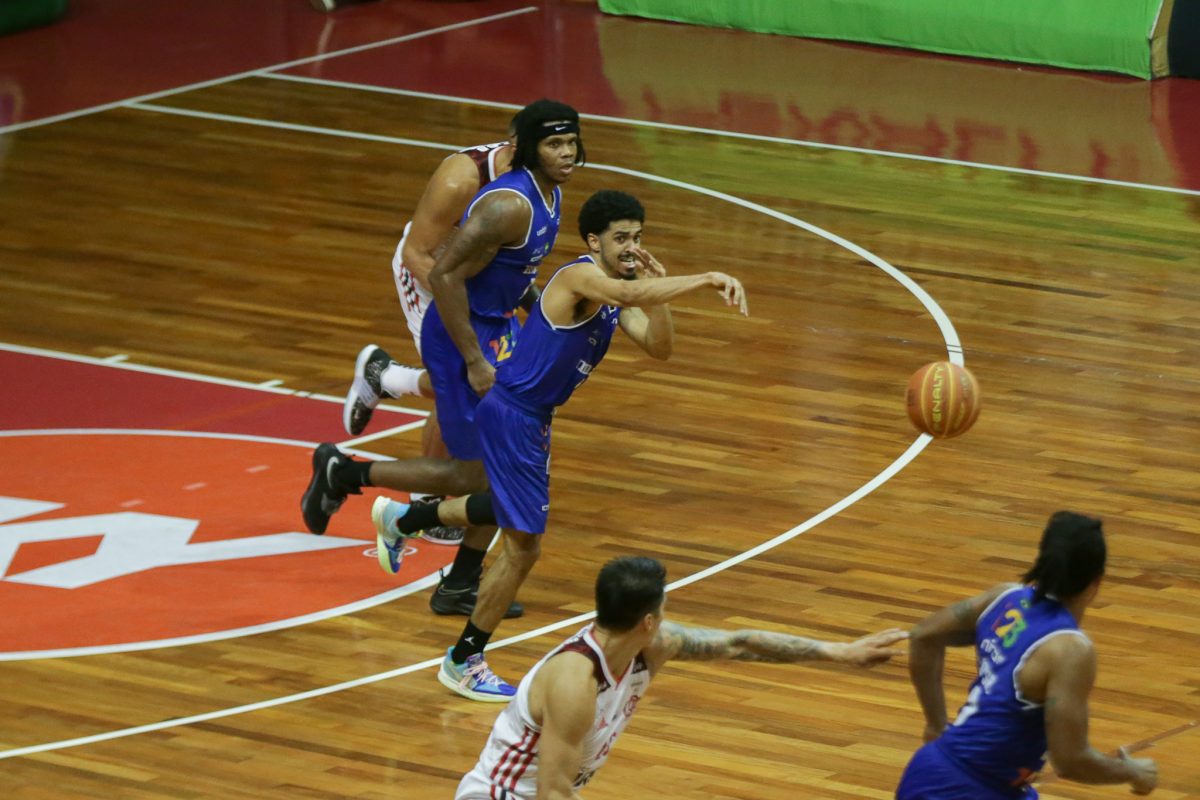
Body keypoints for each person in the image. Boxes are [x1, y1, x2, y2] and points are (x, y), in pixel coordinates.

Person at [372, 189, 750, 702]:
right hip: (514, 413)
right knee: (523, 548)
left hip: (530, 418)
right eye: (621, 237)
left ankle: (403, 520)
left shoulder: (617, 291)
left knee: (509, 512)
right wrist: (704, 278)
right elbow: (624, 297)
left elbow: (659, 347)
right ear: (594, 241)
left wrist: (657, 292)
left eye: (637, 237)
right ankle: (463, 660)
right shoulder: (580, 278)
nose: (631, 246)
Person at [301, 100, 585, 619]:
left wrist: (531, 316)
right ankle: (350, 473)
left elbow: (513, 272)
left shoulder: (548, 192)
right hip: (448, 307)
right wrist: (471, 355)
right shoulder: (484, 190)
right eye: (554, 144)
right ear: (524, 147)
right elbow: (434, 267)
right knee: (477, 474)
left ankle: (456, 579)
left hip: (489, 318)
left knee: (501, 466)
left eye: (571, 143)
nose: (566, 153)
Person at [455, 555, 907, 799]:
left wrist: (840, 652)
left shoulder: (651, 643)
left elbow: (740, 643)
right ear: (648, 620)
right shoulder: (573, 682)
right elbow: (551, 794)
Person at [340, 110, 525, 547]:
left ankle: (386, 377)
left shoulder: (539, 186)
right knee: (457, 382)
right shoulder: (463, 178)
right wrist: (459, 312)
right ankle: (424, 501)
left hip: (473, 283)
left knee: (484, 379)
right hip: (428, 274)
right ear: (516, 145)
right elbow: (416, 253)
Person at [896, 511, 1158, 799]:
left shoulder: (1004, 598)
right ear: (1096, 582)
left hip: (932, 769)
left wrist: (935, 725)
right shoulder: (1069, 650)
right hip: (969, 790)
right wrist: (1132, 771)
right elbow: (1070, 761)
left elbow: (923, 635)